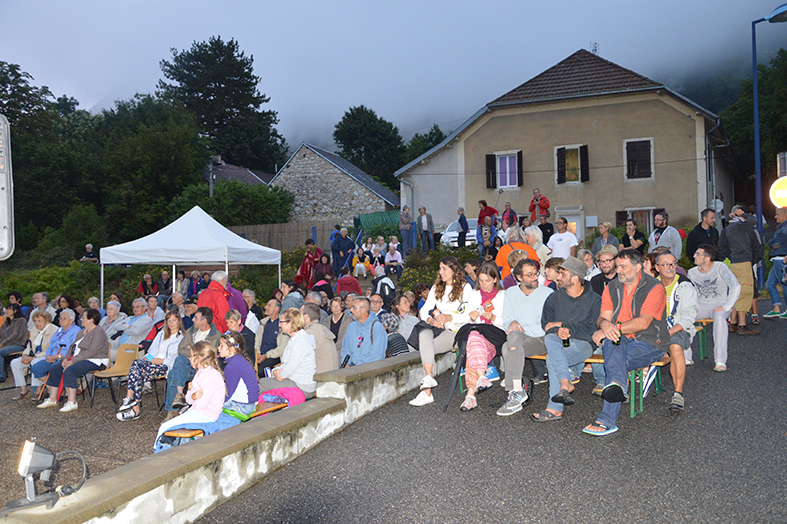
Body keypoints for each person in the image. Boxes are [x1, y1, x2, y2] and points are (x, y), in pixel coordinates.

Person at [583, 248, 670, 436]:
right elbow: (603, 318)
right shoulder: (611, 287)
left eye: (623, 266)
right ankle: (617, 388)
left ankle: (608, 416)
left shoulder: (654, 287)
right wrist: (604, 325)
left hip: (651, 342)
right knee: (613, 345)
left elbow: (643, 323)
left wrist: (610, 329)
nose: (618, 270)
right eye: (617, 266)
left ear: (638, 267)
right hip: (621, 340)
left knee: (614, 357)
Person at [530, 256, 602, 422]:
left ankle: (556, 406)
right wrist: (558, 330)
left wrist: (564, 326)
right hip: (557, 341)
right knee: (550, 339)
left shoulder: (594, 300)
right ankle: (564, 384)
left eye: (563, 274)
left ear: (575, 278)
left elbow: (591, 331)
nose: (558, 277)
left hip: (583, 344)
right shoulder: (554, 298)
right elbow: (546, 324)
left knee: (552, 358)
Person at [410, 256, 471, 407]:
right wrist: (432, 321)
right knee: (424, 332)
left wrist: (450, 317)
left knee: (426, 347)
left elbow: (471, 315)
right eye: (440, 268)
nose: (440, 272)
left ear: (454, 270)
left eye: (444, 268)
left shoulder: (466, 288)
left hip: (457, 330)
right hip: (439, 329)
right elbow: (424, 310)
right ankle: (428, 380)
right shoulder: (437, 287)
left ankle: (427, 392)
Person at [497, 259, 552, 415]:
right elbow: (507, 321)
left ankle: (515, 391)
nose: (535, 277)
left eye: (536, 273)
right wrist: (513, 323)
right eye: (530, 275)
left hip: (540, 339)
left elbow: (545, 326)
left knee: (507, 347)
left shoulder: (547, 293)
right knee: (511, 340)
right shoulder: (510, 293)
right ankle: (516, 390)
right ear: (519, 277)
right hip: (519, 338)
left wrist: (520, 327)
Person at [455, 262, 506, 411]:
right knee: (473, 336)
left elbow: (509, 322)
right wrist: (471, 318)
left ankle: (473, 393)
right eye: (481, 281)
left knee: (473, 339)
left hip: (495, 336)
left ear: (495, 279)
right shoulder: (474, 294)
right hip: (478, 336)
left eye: (487, 281)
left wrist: (493, 318)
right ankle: (476, 386)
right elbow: (469, 320)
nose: (484, 285)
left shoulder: (504, 295)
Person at [38, 309, 110, 412]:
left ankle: (72, 402)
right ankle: (52, 399)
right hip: (79, 359)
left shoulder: (99, 332)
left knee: (70, 370)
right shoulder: (81, 332)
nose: (81, 319)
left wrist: (72, 361)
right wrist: (65, 359)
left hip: (96, 360)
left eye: (84, 317)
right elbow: (72, 348)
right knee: (55, 368)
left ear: (91, 320)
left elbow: (91, 352)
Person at [116, 310, 184, 420]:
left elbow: (178, 359)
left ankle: (134, 407)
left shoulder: (182, 338)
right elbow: (150, 351)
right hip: (152, 363)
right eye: (169, 321)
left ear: (179, 321)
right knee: (137, 364)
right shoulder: (161, 334)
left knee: (137, 372)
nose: (171, 323)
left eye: (174, 320)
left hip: (165, 365)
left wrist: (161, 361)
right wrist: (149, 358)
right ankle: (131, 399)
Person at [156, 341, 225, 439]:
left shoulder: (211, 376)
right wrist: (193, 395)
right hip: (196, 411)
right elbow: (188, 400)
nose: (189, 359)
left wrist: (194, 396)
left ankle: (160, 449)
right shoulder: (200, 373)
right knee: (166, 427)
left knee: (165, 427)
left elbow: (202, 405)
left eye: (192, 356)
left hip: (206, 415)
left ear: (199, 358)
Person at [655, 251, 697, 412]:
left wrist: (668, 333)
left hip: (679, 328)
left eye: (673, 263)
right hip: (655, 328)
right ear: (657, 267)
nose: (670, 267)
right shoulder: (651, 285)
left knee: (675, 346)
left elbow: (688, 318)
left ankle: (678, 393)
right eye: (665, 264)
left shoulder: (685, 286)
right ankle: (624, 388)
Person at [164, 307, 221, 416]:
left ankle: (172, 411)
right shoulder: (191, 331)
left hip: (202, 369)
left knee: (173, 374)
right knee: (179, 360)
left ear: (204, 321)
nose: (193, 319)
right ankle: (180, 395)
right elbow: (181, 349)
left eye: (196, 318)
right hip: (188, 365)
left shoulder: (216, 336)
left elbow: (207, 356)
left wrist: (192, 349)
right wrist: (196, 353)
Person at [718, 206, 758, 335]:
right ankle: (742, 325)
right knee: (745, 291)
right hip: (743, 262)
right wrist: (743, 214)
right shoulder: (739, 227)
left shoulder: (727, 229)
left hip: (734, 263)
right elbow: (753, 220)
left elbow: (722, 248)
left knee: (735, 292)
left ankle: (733, 322)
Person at [259, 308, 317, 399]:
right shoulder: (296, 339)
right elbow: (287, 364)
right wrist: (275, 371)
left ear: (290, 323)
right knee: (264, 383)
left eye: (281, 322)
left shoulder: (299, 342)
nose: (279, 325)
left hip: (302, 386)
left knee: (261, 384)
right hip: (296, 381)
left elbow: (289, 368)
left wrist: (278, 374)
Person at [29, 309, 81, 395]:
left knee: (54, 368)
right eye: (60, 318)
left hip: (64, 359)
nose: (61, 320)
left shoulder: (76, 331)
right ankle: (52, 389)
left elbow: (73, 349)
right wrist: (48, 356)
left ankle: (55, 391)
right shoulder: (59, 330)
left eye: (64, 318)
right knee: (36, 368)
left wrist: (58, 357)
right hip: (53, 358)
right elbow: (51, 345)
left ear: (71, 320)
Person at [10, 310, 57, 400]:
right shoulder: (34, 330)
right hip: (33, 356)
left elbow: (51, 350)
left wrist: (33, 358)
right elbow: (29, 346)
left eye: (39, 321)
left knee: (35, 362)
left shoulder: (54, 330)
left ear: (47, 321)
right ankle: (24, 390)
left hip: (47, 356)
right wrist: (25, 355)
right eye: (35, 321)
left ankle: (37, 391)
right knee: (15, 363)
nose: (37, 323)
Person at [218, 330, 260, 415]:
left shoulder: (233, 366)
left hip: (243, 406)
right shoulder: (239, 360)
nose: (218, 348)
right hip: (250, 403)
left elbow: (228, 395)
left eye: (221, 346)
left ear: (232, 349)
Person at [341, 296, 387, 366]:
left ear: (363, 309)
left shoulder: (377, 327)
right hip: (351, 369)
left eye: (354, 307)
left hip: (369, 369)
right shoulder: (351, 326)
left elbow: (377, 355)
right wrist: (346, 364)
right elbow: (345, 350)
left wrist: (359, 367)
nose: (351, 310)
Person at [764, 207, 787, 318]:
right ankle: (776, 309)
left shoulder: (784, 228)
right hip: (777, 259)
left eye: (778, 214)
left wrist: (771, 243)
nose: (775, 217)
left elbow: (774, 243)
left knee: (784, 285)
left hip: (780, 259)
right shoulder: (782, 228)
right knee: (770, 284)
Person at [303, 303, 338, 373]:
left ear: (306, 316)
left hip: (321, 375)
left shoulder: (309, 333)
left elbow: (301, 359)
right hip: (332, 372)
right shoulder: (322, 328)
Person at [254, 299, 288, 373]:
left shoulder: (282, 325)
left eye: (269, 305)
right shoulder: (263, 323)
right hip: (260, 354)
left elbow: (282, 348)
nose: (265, 307)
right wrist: (258, 353)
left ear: (276, 309)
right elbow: (257, 341)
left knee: (260, 369)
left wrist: (266, 355)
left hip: (274, 356)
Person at [0, 304, 29, 383]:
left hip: (18, 344)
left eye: (9, 309)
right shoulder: (5, 323)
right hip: (6, 345)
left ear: (15, 311)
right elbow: (1, 336)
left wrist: (2, 344)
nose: (6, 311)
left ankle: (1, 376)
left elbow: (15, 336)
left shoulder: (21, 321)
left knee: (0, 352)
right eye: (6, 309)